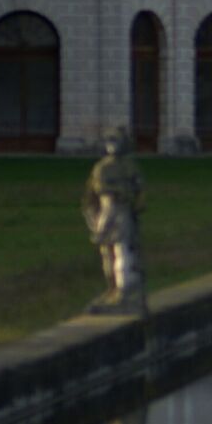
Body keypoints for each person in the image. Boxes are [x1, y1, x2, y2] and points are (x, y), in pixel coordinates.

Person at [81, 127, 146, 313]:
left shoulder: (128, 167)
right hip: (105, 210)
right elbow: (91, 193)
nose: (111, 145)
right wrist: (91, 214)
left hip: (121, 210)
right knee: (106, 251)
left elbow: (139, 190)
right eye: (109, 140)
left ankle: (124, 289)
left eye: (115, 140)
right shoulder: (100, 167)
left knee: (121, 249)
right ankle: (112, 288)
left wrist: (136, 204)